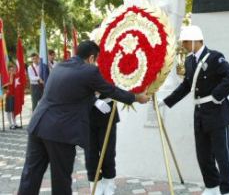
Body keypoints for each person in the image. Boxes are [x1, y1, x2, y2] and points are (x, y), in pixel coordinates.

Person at [18, 40, 150, 195]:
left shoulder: (60, 66)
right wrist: (136, 97)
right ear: (92, 58)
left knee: (31, 174)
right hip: (59, 132)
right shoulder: (89, 71)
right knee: (61, 178)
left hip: (37, 125)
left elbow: (72, 95)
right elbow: (111, 90)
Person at [160, 25, 229, 195]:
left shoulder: (214, 57)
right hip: (200, 114)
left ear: (197, 41)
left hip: (217, 113)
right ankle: (212, 186)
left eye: (187, 42)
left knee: (222, 155)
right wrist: (166, 102)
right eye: (184, 42)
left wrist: (217, 96)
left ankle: (228, 190)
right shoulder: (189, 61)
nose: (185, 45)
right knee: (203, 155)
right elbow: (186, 86)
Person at [84, 97, 117, 195]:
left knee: (108, 153)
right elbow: (77, 87)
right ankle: (95, 185)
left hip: (108, 110)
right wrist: (94, 101)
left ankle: (109, 184)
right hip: (88, 113)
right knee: (90, 154)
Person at [5, 65, 19, 129]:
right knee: (9, 110)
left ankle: (14, 123)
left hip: (15, 95)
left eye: (13, 70)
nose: (12, 71)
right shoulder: (7, 77)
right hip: (9, 95)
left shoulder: (15, 76)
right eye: (10, 70)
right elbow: (9, 83)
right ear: (8, 71)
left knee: (14, 110)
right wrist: (11, 75)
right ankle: (10, 124)